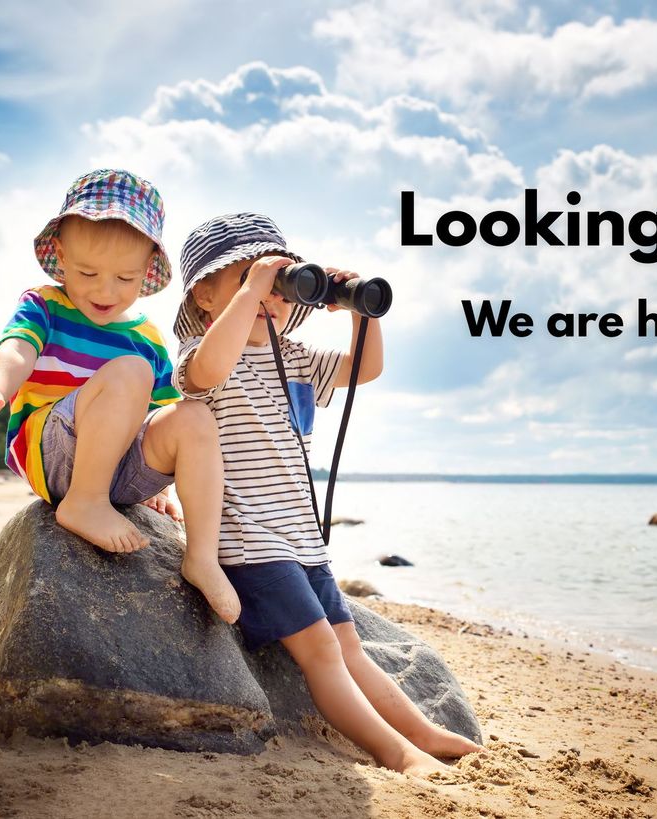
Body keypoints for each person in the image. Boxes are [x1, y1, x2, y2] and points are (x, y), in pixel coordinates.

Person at [173, 212, 483, 777]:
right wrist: (252, 291)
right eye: (246, 278)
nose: (269, 296)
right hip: (250, 542)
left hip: (302, 541)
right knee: (319, 651)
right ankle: (395, 752)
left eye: (280, 287)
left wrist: (359, 309)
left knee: (350, 648)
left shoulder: (296, 360)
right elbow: (208, 370)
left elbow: (366, 368)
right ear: (203, 296)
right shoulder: (199, 357)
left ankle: (419, 731)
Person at [0, 169, 240, 624]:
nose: (105, 291)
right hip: (56, 450)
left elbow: (160, 417)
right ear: (61, 257)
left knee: (194, 416)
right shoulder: (46, 304)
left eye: (125, 277)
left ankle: (202, 554)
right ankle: (84, 502)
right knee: (131, 372)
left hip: (118, 470)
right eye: (88, 272)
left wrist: (157, 484)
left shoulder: (145, 334)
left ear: (147, 270)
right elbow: (17, 349)